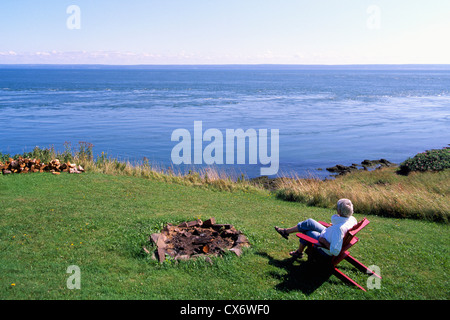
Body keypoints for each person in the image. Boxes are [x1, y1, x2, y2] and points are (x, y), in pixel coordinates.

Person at [274, 199, 357, 258]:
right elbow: (340, 230)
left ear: (339, 211)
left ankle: (299, 252)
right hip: (328, 233)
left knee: (306, 232)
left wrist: (323, 241)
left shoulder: (338, 229)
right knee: (309, 222)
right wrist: (332, 227)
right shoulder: (351, 219)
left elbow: (335, 251)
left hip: (324, 243)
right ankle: (286, 231)